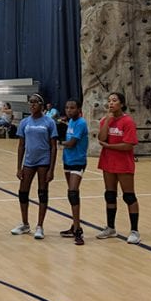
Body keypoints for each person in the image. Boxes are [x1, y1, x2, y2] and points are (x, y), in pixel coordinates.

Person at [10, 93, 57, 240]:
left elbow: (54, 147)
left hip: (44, 161)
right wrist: (19, 167)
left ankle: (40, 226)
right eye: (30, 102)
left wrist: (52, 169)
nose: (32, 105)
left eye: (35, 102)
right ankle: (25, 224)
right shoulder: (25, 122)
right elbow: (21, 146)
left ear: (41, 105)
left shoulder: (49, 122)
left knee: (42, 192)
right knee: (23, 192)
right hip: (29, 161)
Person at [96, 91, 141, 245]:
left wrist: (109, 146)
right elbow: (101, 138)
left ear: (121, 104)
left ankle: (134, 230)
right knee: (110, 194)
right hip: (108, 163)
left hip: (124, 163)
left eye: (114, 100)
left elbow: (128, 144)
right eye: (109, 101)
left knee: (129, 196)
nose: (111, 103)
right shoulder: (105, 120)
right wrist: (107, 122)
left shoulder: (128, 122)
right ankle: (110, 228)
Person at [59, 99, 88, 245]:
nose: (69, 110)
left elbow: (71, 143)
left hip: (78, 161)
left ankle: (78, 231)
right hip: (68, 161)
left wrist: (57, 142)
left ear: (78, 109)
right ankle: (74, 225)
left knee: (73, 193)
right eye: (67, 107)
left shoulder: (81, 123)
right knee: (71, 195)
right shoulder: (70, 122)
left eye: (72, 108)